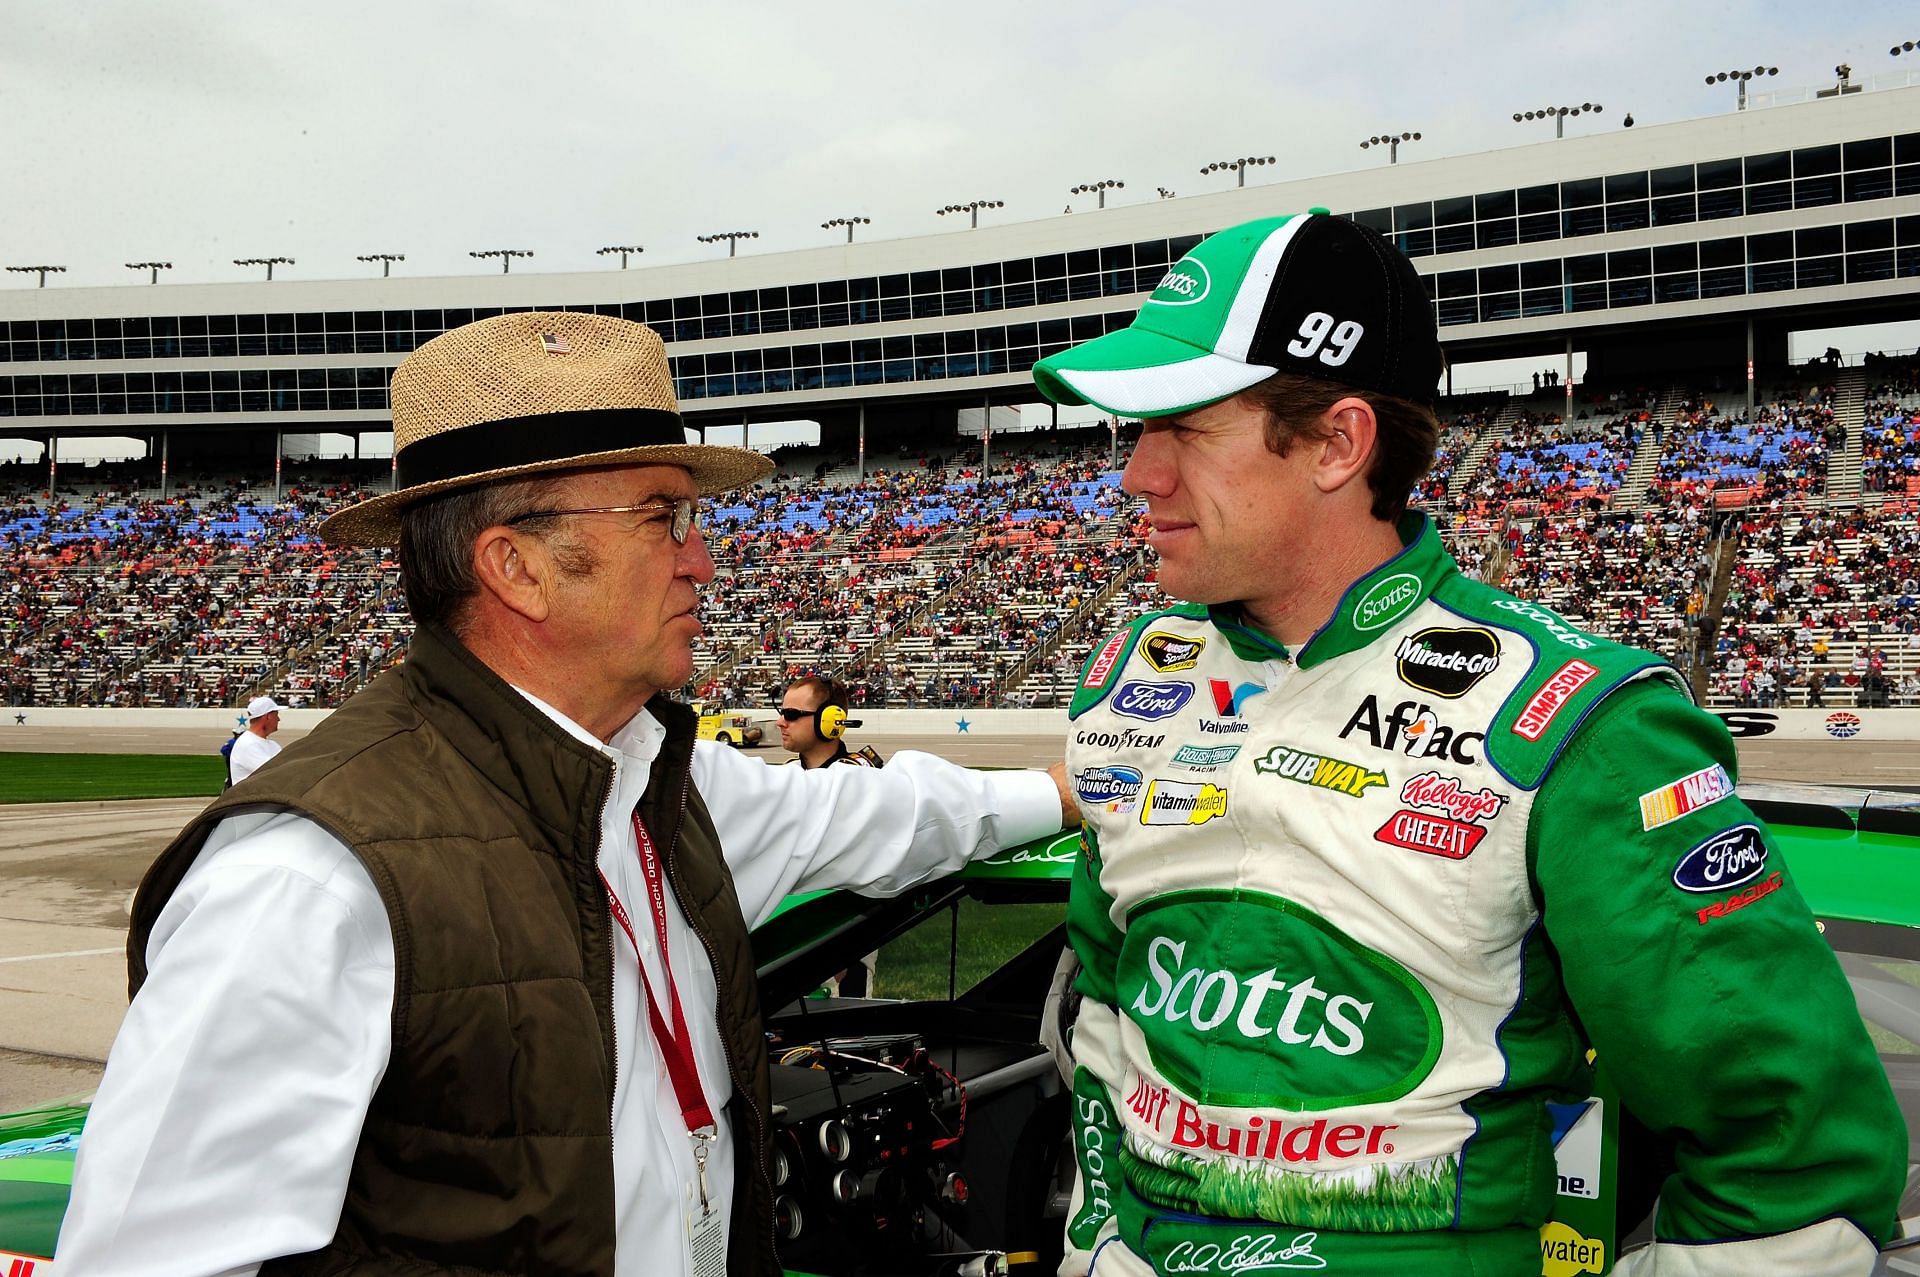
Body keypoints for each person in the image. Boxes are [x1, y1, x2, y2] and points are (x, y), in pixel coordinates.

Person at [58, 312, 1075, 1277]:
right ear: (517, 566)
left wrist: (1081, 786)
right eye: (663, 517)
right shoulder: (309, 878)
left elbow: (888, 816)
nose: (704, 562)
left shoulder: (665, 782)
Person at [1030, 213, 1903, 1277]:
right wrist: (1098, 1240)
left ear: (1338, 444)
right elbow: (1106, 1003)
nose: (1138, 474)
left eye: (1185, 428)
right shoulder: (1134, 679)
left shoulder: (1585, 720)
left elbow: (1795, 1159)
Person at [777, 675, 884, 769]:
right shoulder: (789, 770)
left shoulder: (862, 778)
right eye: (782, 713)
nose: (779, 722)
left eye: (791, 714)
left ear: (832, 719)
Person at [225, 694, 283, 784]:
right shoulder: (248, 744)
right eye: (276, 715)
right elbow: (275, 773)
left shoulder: (273, 745)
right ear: (268, 716)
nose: (279, 719)